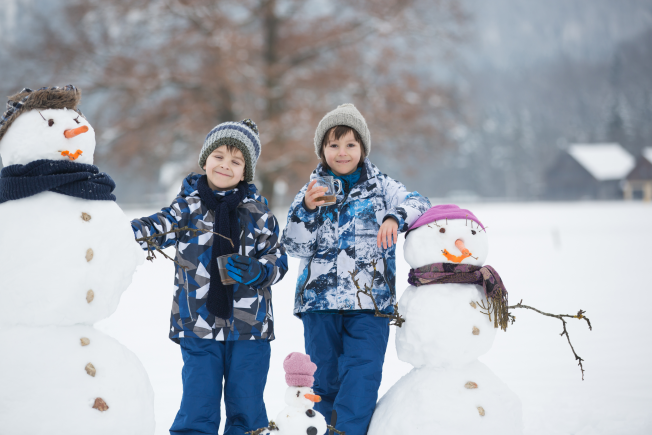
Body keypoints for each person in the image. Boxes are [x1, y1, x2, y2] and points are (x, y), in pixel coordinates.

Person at [281, 104, 431, 435]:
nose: (342, 152)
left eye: (350, 144)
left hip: (371, 303)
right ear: (322, 149)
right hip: (320, 305)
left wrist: (395, 216)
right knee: (324, 380)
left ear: (362, 147)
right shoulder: (310, 193)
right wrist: (306, 209)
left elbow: (421, 202)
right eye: (333, 145)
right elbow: (293, 246)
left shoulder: (383, 187)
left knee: (362, 375)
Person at [131, 119, 288, 435]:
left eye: (236, 161)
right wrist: (117, 230)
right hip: (198, 324)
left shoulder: (259, 213)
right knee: (198, 407)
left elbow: (277, 257)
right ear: (205, 160)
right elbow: (154, 228)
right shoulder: (187, 208)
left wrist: (261, 270)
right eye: (219, 156)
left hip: (250, 327)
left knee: (247, 409)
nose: (226, 166)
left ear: (246, 171)